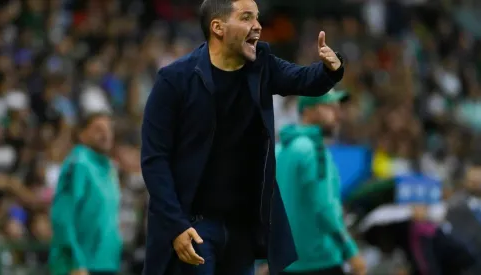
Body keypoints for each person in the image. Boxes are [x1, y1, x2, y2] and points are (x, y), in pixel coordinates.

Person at [140, 0, 345, 274]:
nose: (258, 26)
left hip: (241, 231)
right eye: (247, 18)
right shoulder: (174, 80)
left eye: (257, 18)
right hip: (194, 227)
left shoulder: (262, 65)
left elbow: (303, 79)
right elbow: (155, 160)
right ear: (218, 28)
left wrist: (330, 69)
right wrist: (176, 225)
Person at [275, 90, 366, 275]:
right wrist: (350, 251)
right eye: (330, 108)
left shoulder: (280, 150)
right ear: (309, 111)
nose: (338, 115)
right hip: (321, 262)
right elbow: (325, 208)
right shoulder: (314, 149)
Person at [49, 113, 122, 275]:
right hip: (79, 267)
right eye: (98, 129)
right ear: (81, 134)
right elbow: (62, 216)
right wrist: (74, 262)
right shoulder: (78, 163)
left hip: (105, 263)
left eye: (109, 129)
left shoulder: (109, 167)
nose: (105, 134)